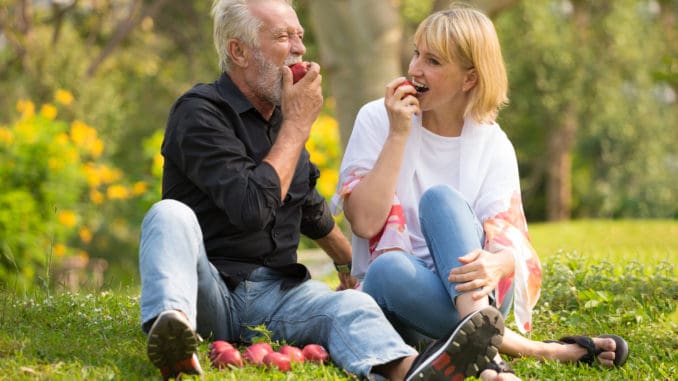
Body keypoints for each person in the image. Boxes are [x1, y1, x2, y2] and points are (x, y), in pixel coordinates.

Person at [138, 0, 508, 380]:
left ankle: (411, 371)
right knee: (168, 215)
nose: (299, 48)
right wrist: (297, 126)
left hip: (279, 295)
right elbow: (250, 208)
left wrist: (347, 263)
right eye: (284, 37)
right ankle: (172, 328)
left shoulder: (281, 118)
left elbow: (308, 206)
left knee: (350, 304)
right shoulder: (199, 113)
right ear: (238, 51)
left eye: (299, 36)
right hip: (211, 290)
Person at [331, 5, 629, 381]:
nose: (414, 69)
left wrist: (497, 264)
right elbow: (364, 222)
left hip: (479, 292)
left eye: (433, 61)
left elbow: (512, 246)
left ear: (469, 79)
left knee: (441, 199)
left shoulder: (493, 143)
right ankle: (535, 352)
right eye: (416, 52)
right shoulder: (378, 119)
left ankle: (481, 347)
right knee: (388, 268)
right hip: (401, 296)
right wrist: (397, 134)